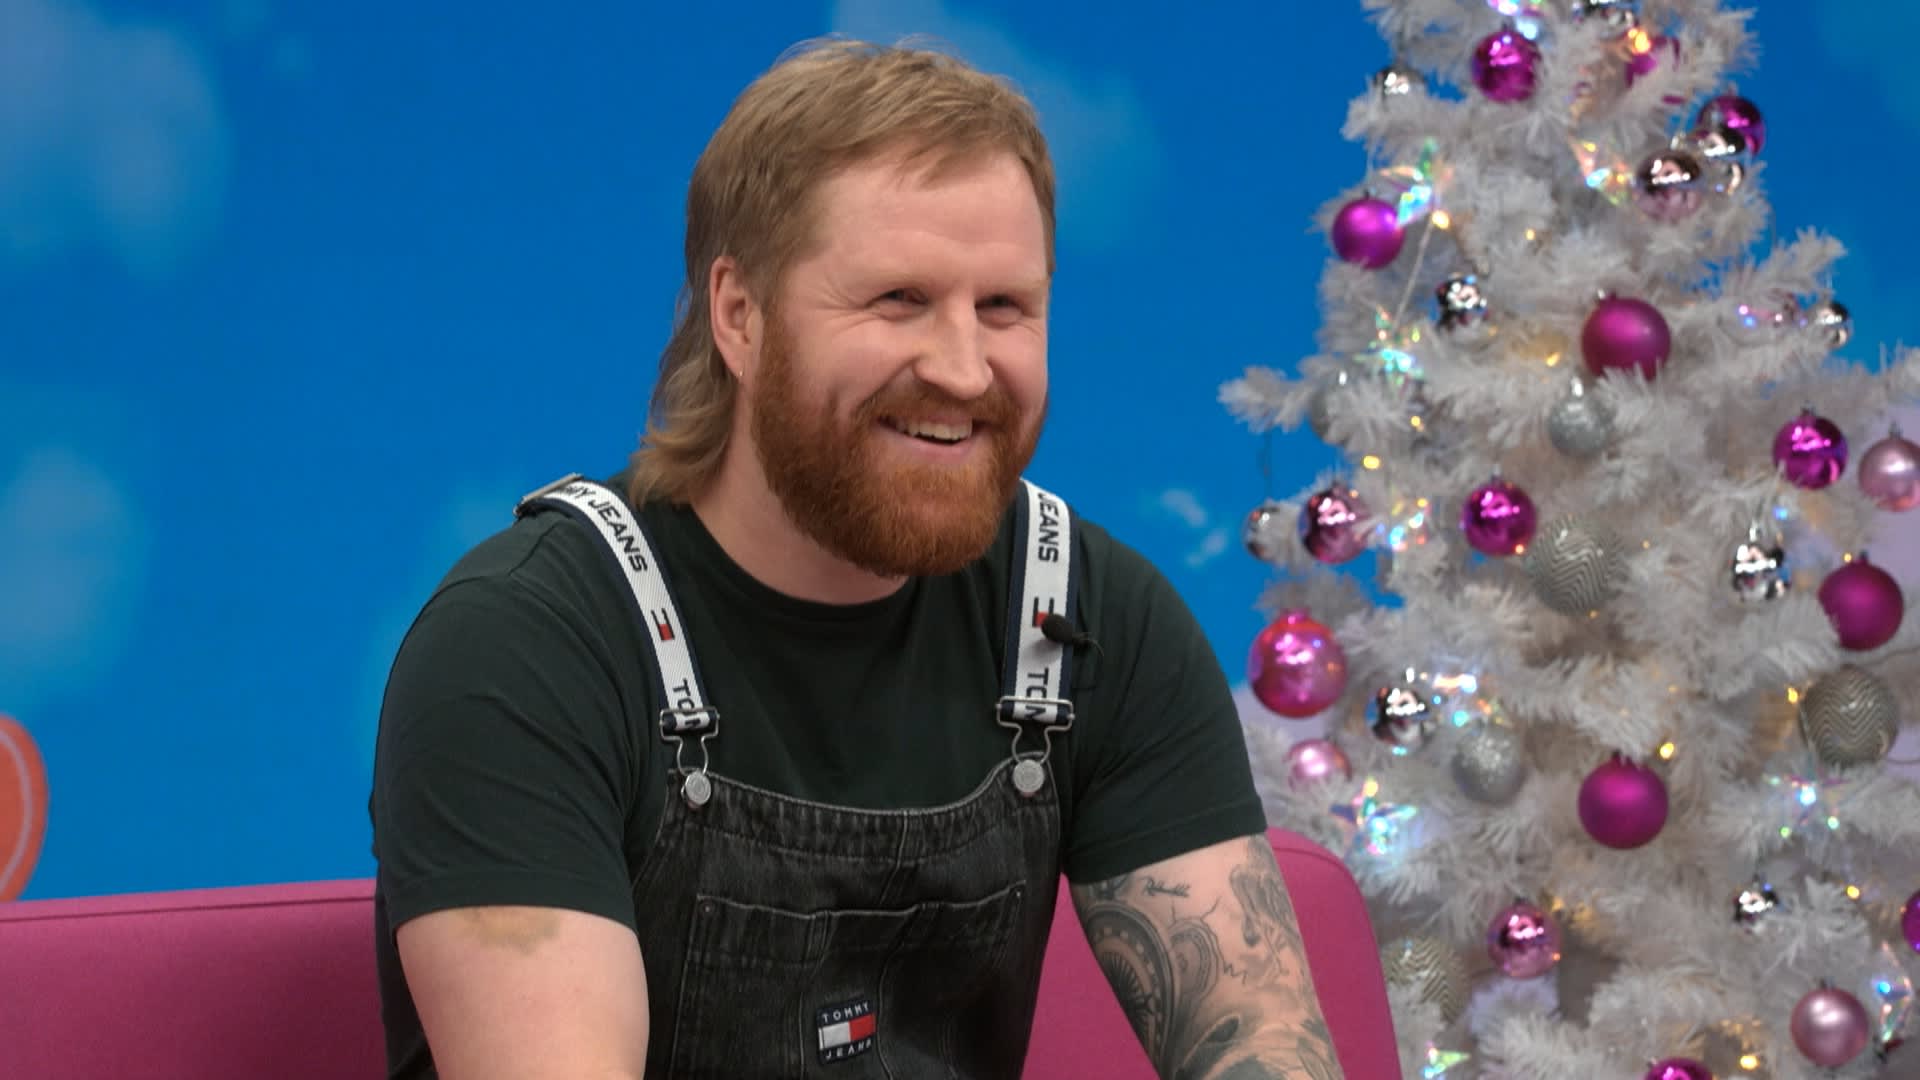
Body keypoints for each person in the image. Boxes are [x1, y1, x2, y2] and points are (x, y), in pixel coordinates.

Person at [369, 37, 1342, 1080]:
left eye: (1004, 308)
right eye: (898, 300)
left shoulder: (1088, 619)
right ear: (739, 316)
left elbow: (1261, 1043)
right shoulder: (523, 646)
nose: (964, 370)